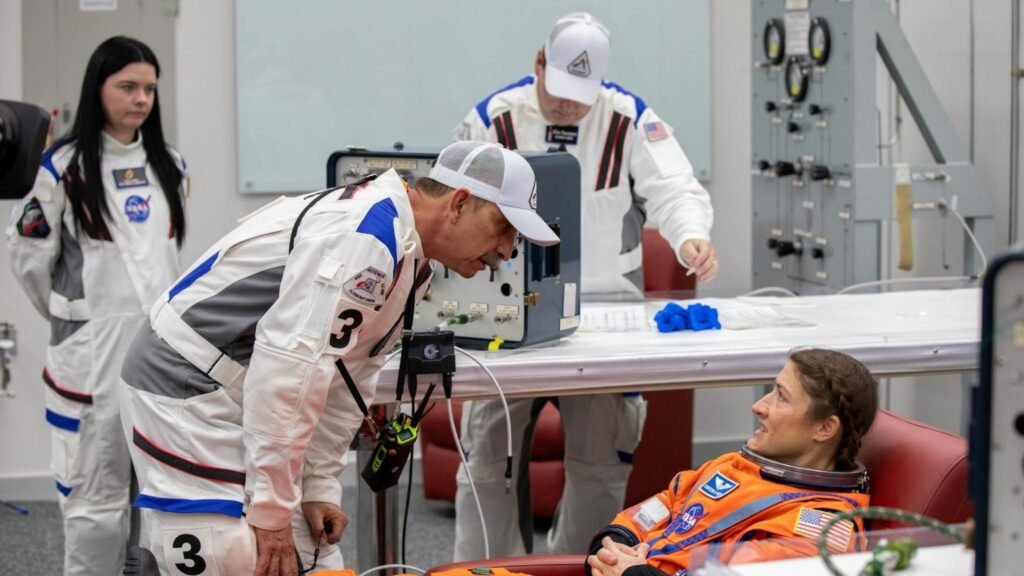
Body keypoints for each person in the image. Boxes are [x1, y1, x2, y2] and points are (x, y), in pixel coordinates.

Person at [118, 141, 559, 575]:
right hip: (185, 385)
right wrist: (272, 511)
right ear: (459, 203)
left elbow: (350, 377)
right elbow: (289, 372)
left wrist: (318, 486)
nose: (507, 251)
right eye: (503, 227)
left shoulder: (411, 258)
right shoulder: (365, 236)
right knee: (236, 557)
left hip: (249, 389)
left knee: (315, 552)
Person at [451, 12, 717, 559]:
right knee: (486, 464)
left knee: (600, 466)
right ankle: (485, 570)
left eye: (580, 97)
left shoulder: (630, 119)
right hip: (508, 310)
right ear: (538, 63)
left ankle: (581, 568)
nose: (568, 107)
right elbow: (452, 201)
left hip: (605, 312)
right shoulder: (492, 119)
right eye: (559, 92)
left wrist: (691, 236)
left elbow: (675, 187)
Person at [6, 36, 187, 576]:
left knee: (165, 501)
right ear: (98, 89)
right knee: (94, 507)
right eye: (127, 86)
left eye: (149, 89)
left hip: (157, 357)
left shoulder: (170, 165)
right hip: (89, 358)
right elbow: (30, 262)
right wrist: (75, 318)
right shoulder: (59, 168)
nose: (141, 99)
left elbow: (168, 258)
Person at [585, 349, 879, 576]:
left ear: (825, 428)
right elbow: (661, 506)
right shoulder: (734, 466)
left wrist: (633, 573)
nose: (758, 406)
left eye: (781, 397)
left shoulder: (818, 526)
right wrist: (611, 546)